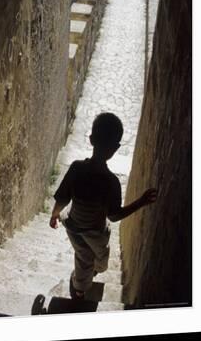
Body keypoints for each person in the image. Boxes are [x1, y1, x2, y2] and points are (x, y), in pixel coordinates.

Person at [49, 112, 157, 299]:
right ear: (115, 148)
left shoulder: (76, 168)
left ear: (91, 140)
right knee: (87, 261)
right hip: (92, 232)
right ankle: (79, 289)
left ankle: (84, 279)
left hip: (76, 227)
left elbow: (63, 198)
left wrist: (54, 214)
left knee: (95, 261)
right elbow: (114, 216)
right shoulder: (111, 183)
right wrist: (141, 202)